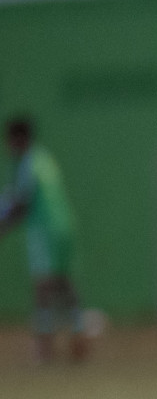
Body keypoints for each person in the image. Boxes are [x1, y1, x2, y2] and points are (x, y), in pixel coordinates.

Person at [0, 116, 88, 362]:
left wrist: (3, 227)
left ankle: (44, 344)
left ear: (18, 139)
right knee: (65, 282)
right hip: (65, 225)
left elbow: (21, 203)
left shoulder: (27, 163)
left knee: (43, 286)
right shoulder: (45, 158)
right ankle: (79, 332)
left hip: (44, 228)